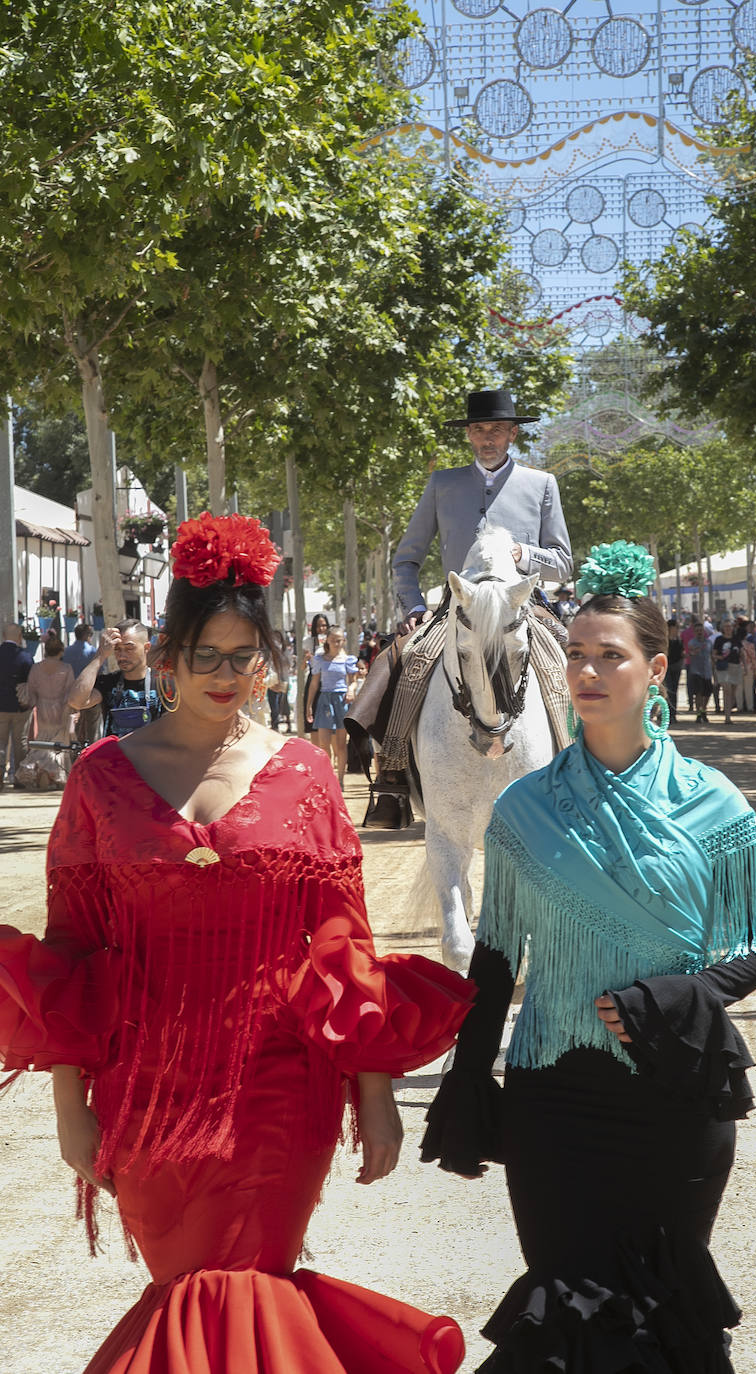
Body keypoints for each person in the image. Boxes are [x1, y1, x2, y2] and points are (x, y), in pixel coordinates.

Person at [0, 511, 473, 1374]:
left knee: (249, 1277)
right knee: (187, 1283)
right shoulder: (100, 775)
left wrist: (373, 1097)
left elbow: (344, 948)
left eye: (244, 656)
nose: (226, 675)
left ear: (268, 660)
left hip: (279, 1086)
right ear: (167, 659)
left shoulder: (308, 773)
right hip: (145, 1095)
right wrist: (73, 1111)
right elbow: (71, 953)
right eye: (205, 656)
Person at [421, 540, 756, 1374]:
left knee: (663, 1312)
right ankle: (382, 754)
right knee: (565, 1304)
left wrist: (683, 994)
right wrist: (469, 1076)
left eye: (610, 657)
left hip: (674, 1095)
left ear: (656, 669)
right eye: (578, 656)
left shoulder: (713, 800)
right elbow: (494, 958)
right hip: (555, 1104)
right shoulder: (523, 805)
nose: (588, 672)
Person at [349, 389, 574, 827]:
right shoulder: (442, 484)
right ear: (469, 435)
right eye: (478, 429)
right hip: (458, 607)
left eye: (496, 429)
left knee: (574, 664)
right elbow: (406, 559)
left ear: (512, 434)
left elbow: (563, 562)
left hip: (521, 608)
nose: (487, 437)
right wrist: (413, 606)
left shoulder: (542, 483)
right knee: (404, 661)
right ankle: (393, 776)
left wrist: (521, 554)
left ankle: (582, 775)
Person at [69, 618, 163, 738]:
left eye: (129, 648)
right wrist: (100, 655)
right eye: (117, 649)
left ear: (146, 648)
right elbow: (76, 702)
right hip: (115, 755)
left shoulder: (163, 684)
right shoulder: (108, 682)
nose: (122, 655)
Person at [13, 630, 75, 790]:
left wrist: (35, 703)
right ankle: (56, 773)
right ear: (61, 651)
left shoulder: (36, 668)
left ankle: (42, 770)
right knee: (59, 742)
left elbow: (31, 690)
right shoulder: (66, 668)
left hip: (42, 707)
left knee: (43, 740)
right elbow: (70, 692)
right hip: (61, 707)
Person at [306, 625, 358, 785]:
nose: (336, 643)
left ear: (343, 640)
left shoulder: (347, 660)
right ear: (327, 639)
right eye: (333, 640)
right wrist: (309, 705)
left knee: (341, 745)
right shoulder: (320, 659)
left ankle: (340, 779)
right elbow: (314, 684)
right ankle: (327, 777)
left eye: (339, 640)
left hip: (341, 701)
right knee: (323, 744)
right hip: (324, 701)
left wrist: (350, 690)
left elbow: (353, 682)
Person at [0, 622, 33, 788]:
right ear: (20, 637)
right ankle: (19, 778)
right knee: (20, 743)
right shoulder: (25, 656)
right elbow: (31, 681)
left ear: (4, 636)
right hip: (20, 707)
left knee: (0, 742)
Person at [62, 624, 102, 745]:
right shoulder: (92, 652)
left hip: (72, 695)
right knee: (93, 727)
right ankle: (92, 748)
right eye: (90, 635)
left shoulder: (66, 652)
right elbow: (100, 671)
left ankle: (75, 755)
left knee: (74, 727)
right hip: (91, 695)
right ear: (85, 635)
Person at [712, 617, 741, 722]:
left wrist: (745, 667)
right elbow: (714, 654)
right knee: (727, 690)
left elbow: (741, 653)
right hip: (723, 667)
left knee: (733, 692)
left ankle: (728, 711)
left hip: (735, 666)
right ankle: (727, 717)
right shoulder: (719, 640)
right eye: (726, 626)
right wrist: (721, 657)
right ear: (723, 628)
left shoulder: (736, 639)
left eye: (730, 626)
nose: (728, 628)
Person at [686, 617, 713, 724]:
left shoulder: (709, 642)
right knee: (698, 693)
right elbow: (690, 652)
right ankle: (698, 713)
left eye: (701, 630)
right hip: (696, 671)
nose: (699, 632)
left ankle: (703, 710)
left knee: (707, 693)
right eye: (697, 631)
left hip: (707, 671)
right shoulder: (692, 642)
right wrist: (693, 652)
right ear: (694, 632)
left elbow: (712, 656)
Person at [664, 617, 684, 724]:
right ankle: (666, 713)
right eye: (675, 627)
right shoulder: (665, 641)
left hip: (676, 667)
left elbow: (681, 654)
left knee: (674, 690)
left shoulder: (679, 640)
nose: (677, 629)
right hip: (667, 667)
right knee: (668, 690)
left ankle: (673, 714)